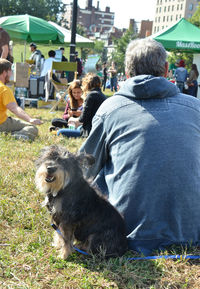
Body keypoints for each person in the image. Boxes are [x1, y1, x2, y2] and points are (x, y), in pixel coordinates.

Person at [79, 38, 200, 256]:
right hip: (192, 231)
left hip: (123, 232)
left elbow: (84, 168)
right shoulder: (195, 107)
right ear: (166, 69)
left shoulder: (111, 108)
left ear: (126, 72)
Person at [0, 59, 43, 141]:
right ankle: (14, 136)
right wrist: (30, 119)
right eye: (11, 71)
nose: (12, 74)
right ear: (5, 72)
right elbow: (14, 108)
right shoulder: (4, 89)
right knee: (32, 128)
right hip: (1, 123)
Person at [57, 73, 106, 138]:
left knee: (60, 132)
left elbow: (83, 118)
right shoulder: (102, 95)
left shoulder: (91, 95)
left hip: (89, 130)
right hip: (99, 129)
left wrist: (73, 119)